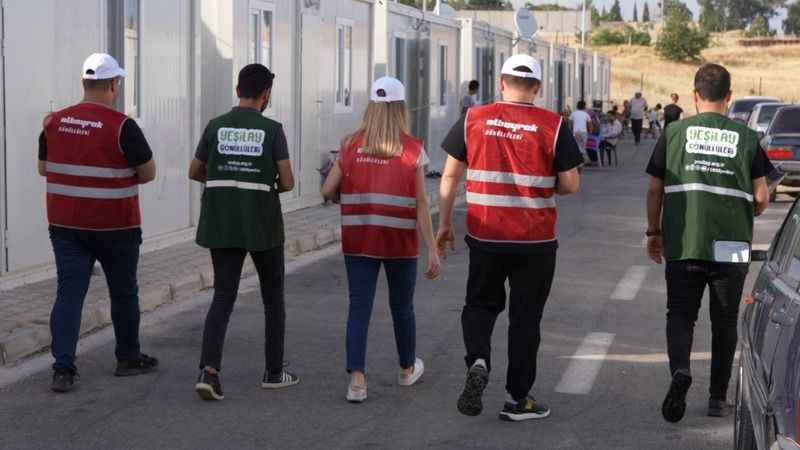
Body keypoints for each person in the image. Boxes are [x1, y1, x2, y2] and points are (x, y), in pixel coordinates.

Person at [438, 55, 582, 422]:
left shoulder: (474, 118)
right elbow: (570, 184)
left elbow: (450, 176)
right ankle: (519, 399)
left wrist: (444, 224)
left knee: (480, 305)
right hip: (535, 242)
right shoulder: (553, 125)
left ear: (501, 83)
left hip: (485, 234)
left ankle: (479, 360)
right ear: (537, 88)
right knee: (525, 319)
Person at [645, 64, 771, 423]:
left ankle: (681, 371)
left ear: (694, 95)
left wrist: (653, 233)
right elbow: (761, 196)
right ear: (729, 97)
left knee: (681, 315)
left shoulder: (673, 133)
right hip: (731, 247)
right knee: (725, 321)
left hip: (684, 242)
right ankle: (718, 399)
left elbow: (655, 189)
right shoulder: (746, 139)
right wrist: (747, 207)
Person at [39, 53, 158, 393]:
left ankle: (63, 369)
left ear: (82, 83)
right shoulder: (123, 126)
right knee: (123, 292)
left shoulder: (53, 123)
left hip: (65, 227)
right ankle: (128, 358)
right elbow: (148, 174)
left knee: (69, 294)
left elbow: (44, 169)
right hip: (115, 227)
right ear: (113, 85)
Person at [321, 77, 441, 403]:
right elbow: (419, 204)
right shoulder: (412, 149)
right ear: (401, 108)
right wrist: (432, 247)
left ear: (371, 107)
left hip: (359, 239)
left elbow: (327, 190)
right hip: (399, 242)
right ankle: (405, 369)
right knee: (402, 307)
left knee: (359, 308)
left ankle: (357, 382)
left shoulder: (349, 145)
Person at [190, 64, 297, 401]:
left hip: (222, 222)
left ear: (238, 90)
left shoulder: (216, 126)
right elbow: (289, 181)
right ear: (265, 94)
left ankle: (209, 371)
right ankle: (274, 372)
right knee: (272, 299)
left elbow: (196, 170)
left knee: (223, 296)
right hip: (263, 225)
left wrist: (225, 183)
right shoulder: (272, 129)